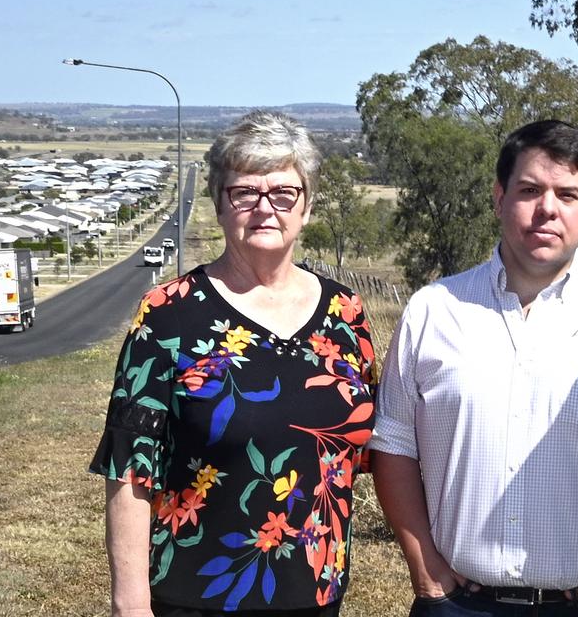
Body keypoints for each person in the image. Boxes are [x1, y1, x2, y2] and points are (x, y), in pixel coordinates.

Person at [368, 120, 578, 617]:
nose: (548, 209)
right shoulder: (433, 311)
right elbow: (392, 443)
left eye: (567, 193)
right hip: (456, 605)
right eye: (530, 190)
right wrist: (423, 565)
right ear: (499, 198)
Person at [89, 111, 376, 617]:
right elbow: (130, 467)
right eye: (245, 192)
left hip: (316, 595)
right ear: (219, 204)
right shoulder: (168, 312)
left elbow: (363, 447)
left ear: (306, 207)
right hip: (195, 595)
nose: (265, 208)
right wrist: (129, 604)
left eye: (284, 193)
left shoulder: (346, 314)